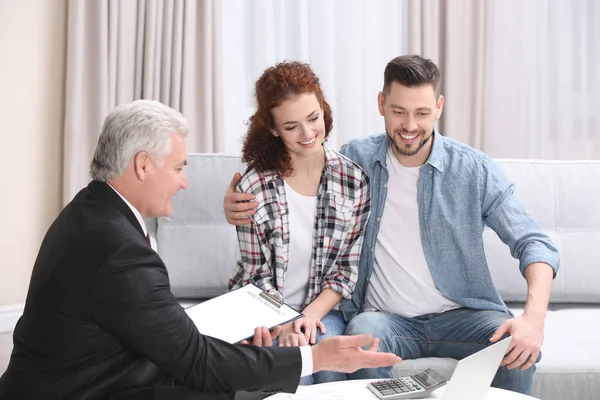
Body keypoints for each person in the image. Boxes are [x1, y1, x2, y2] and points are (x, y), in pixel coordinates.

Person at [0, 100, 401, 400]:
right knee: (227, 388)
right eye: (178, 168)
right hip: (85, 392)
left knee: (238, 377)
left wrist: (227, 349)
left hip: (88, 377)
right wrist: (318, 358)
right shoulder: (118, 248)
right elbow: (196, 361)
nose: (184, 183)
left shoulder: (91, 211)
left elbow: (156, 327)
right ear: (143, 165)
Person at [223, 55, 560, 396]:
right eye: (399, 111)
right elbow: (301, 167)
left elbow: (534, 242)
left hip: (464, 315)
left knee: (517, 349)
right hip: (385, 319)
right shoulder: (356, 162)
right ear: (381, 104)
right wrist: (237, 202)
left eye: (422, 112)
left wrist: (533, 319)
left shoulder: (473, 170)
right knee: (363, 334)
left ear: (439, 107)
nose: (410, 125)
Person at [228, 61, 371, 385]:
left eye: (313, 118)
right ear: (274, 129)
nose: (308, 134)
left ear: (324, 110)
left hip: (322, 311)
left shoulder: (354, 181)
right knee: (294, 375)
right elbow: (256, 275)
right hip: (261, 309)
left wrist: (305, 318)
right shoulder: (253, 187)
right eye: (291, 127)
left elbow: (345, 272)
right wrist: (284, 324)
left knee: (328, 366)